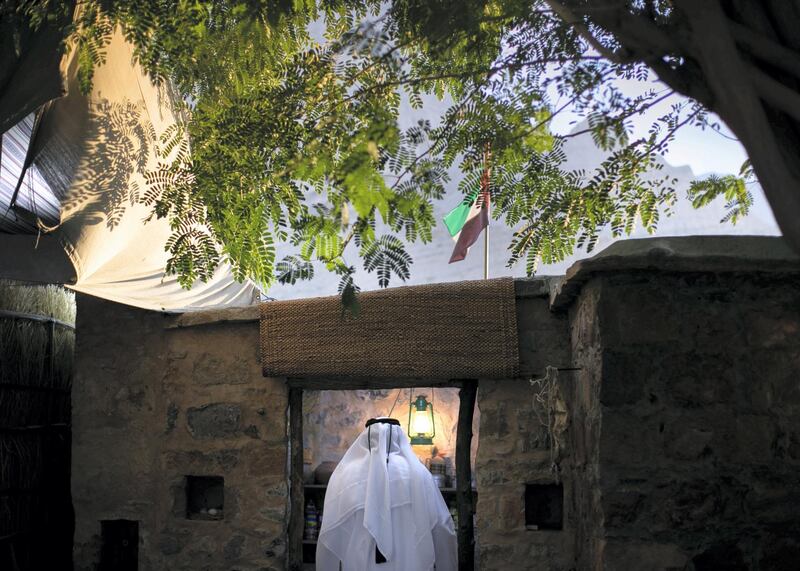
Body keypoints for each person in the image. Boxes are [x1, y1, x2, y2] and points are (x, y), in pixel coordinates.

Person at [316, 417, 458, 570]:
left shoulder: (345, 477)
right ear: (398, 437)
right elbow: (443, 528)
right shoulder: (419, 475)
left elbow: (328, 537)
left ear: (368, 437)